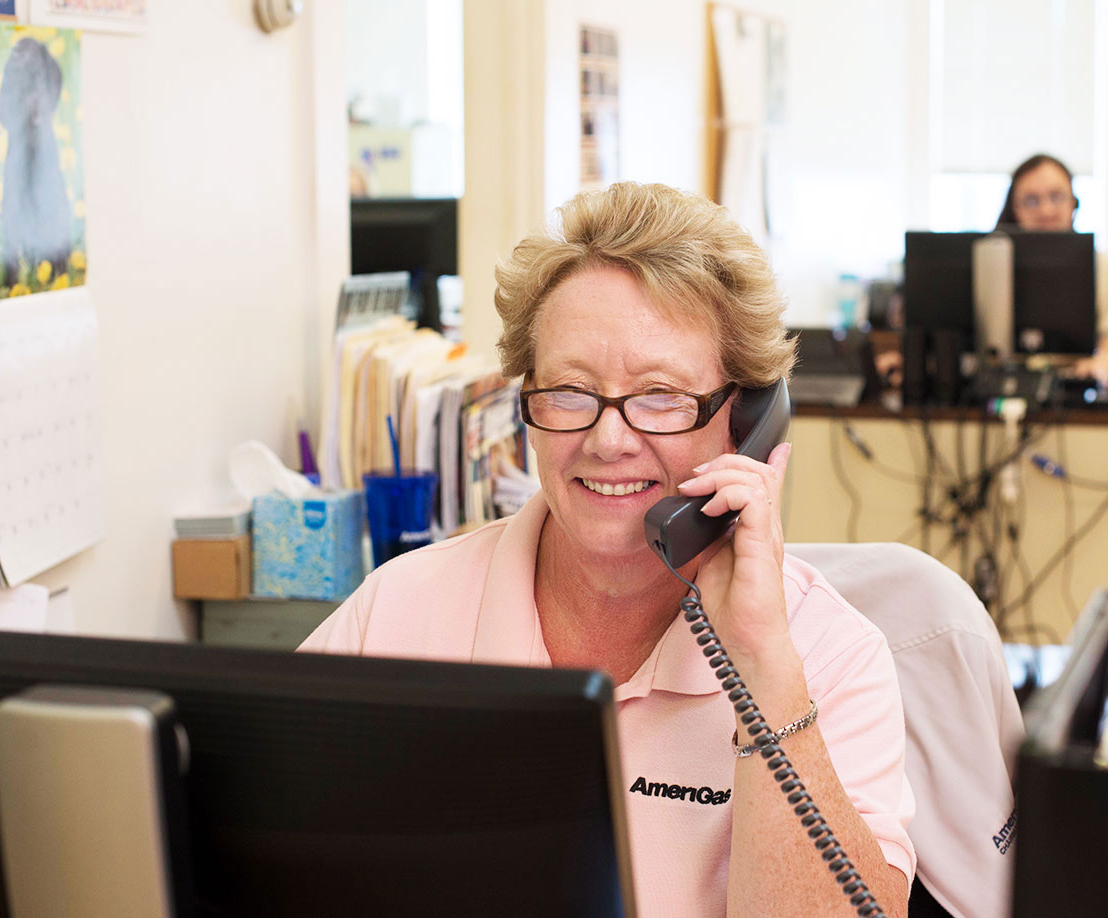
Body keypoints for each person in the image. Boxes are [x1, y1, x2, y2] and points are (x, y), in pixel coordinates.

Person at [301, 182, 919, 916]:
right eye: (568, 391)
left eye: (660, 395)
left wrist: (762, 672)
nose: (607, 439)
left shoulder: (829, 655)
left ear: (748, 421)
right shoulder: (399, 613)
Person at [995, 153, 1108, 383]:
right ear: (1014, 209)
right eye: (1031, 200)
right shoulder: (992, 270)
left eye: (1056, 197)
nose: (1045, 211)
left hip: (1076, 392)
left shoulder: (1106, 269)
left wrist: (1098, 367)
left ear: (1074, 203)